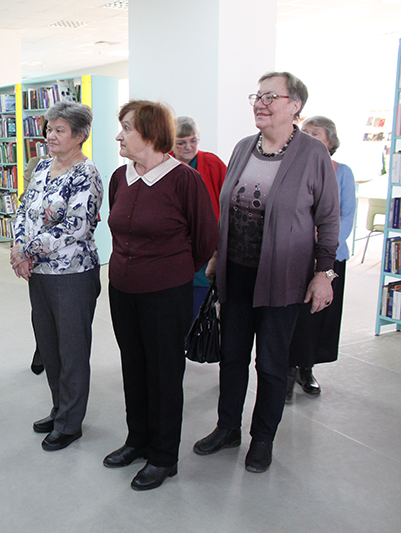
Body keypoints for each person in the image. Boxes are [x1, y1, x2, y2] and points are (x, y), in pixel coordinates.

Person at [193, 72, 340, 474]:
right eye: (257, 96)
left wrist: (324, 273)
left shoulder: (312, 154)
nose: (260, 103)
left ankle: (262, 439)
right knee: (232, 357)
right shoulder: (243, 148)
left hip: (282, 279)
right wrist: (217, 256)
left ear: (295, 106)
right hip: (236, 275)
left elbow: (328, 217)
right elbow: (228, 210)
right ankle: (227, 429)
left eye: (270, 96)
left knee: (272, 364)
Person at [103, 101, 218, 491]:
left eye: (126, 128)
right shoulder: (120, 177)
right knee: (133, 366)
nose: (118, 136)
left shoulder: (184, 180)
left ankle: (164, 456)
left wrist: (171, 272)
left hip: (166, 294)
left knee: (164, 373)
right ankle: (137, 440)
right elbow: (116, 225)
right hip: (122, 290)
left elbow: (205, 240)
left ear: (151, 134)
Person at [10, 100, 103, 452]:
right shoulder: (41, 167)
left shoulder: (86, 174)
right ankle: (59, 408)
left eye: (59, 130)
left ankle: (70, 423)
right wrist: (18, 247)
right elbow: (23, 209)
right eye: (49, 129)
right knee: (49, 347)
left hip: (72, 275)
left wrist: (28, 251)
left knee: (72, 351)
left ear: (80, 136)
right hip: (40, 273)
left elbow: (75, 227)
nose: (50, 135)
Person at [287, 116, 356, 399]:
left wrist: (325, 251)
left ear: (330, 142)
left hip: (330, 258)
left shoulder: (343, 172)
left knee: (319, 315)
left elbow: (346, 216)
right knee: (293, 316)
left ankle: (307, 368)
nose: (307, 137)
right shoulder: (294, 167)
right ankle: (287, 370)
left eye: (314, 134)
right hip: (297, 256)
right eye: (304, 132)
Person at [172, 116, 228, 315]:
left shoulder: (213, 163)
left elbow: (228, 201)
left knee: (200, 307)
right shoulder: (162, 163)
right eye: (181, 142)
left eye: (193, 140)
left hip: (204, 245)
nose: (188, 147)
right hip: (174, 247)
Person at [21, 118, 48, 376]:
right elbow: (27, 201)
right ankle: (42, 348)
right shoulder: (36, 164)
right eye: (49, 130)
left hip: (66, 252)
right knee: (40, 308)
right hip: (36, 246)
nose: (53, 136)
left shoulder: (82, 168)